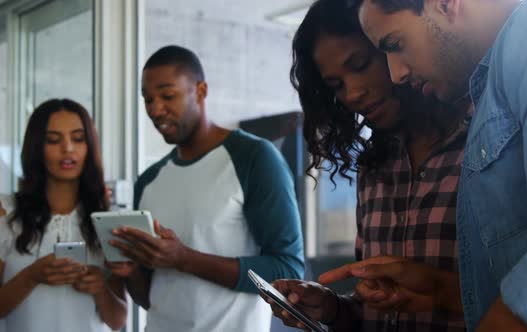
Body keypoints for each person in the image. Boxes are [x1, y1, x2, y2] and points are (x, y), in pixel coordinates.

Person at [325, 0, 527, 330]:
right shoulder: (495, 83)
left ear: (445, 4)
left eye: (395, 45)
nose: (396, 74)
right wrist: (440, 288)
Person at [265, 0, 468, 330]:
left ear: (392, 46)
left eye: (360, 65)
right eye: (337, 86)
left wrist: (441, 287)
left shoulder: (483, 145)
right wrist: (331, 307)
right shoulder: (374, 168)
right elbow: (376, 312)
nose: (353, 94)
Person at [107, 45, 305, 332]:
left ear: (200, 90)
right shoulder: (149, 180)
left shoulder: (254, 158)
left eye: (167, 95)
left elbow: (287, 269)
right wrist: (131, 272)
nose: (155, 109)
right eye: (148, 99)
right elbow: (152, 298)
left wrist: (185, 259)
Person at [0, 99, 127, 331]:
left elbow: (118, 320)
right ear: (37, 148)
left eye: (78, 139)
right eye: (53, 140)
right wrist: (31, 276)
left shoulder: (108, 220)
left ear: (89, 146)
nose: (67, 148)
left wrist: (100, 288)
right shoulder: (6, 213)